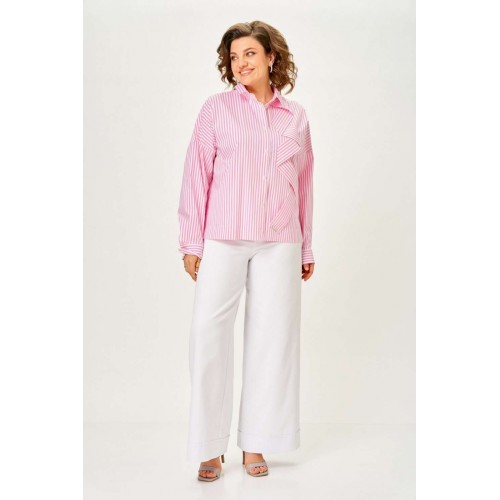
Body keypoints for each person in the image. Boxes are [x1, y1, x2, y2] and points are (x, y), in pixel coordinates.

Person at [177, 20, 316, 481]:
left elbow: (304, 183)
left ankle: (256, 441)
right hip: (223, 235)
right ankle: (209, 447)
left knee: (272, 340)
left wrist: (306, 246)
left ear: (271, 57)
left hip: (281, 239)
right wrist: (191, 240)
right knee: (207, 334)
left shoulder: (295, 117)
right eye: (234, 57)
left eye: (250, 54)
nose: (240, 63)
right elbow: (196, 174)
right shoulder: (216, 110)